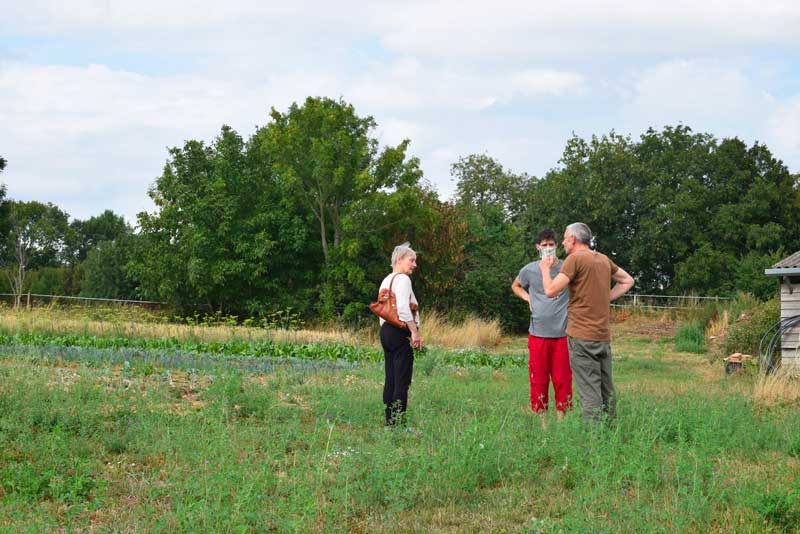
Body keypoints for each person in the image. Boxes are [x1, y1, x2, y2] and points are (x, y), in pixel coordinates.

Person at [540, 223, 634, 422]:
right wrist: (604, 297)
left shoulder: (574, 259)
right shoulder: (603, 259)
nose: (563, 243)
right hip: (602, 337)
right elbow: (627, 281)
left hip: (582, 337)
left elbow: (550, 291)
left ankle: (594, 443)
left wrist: (545, 269)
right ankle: (611, 433)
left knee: (589, 392)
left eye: (565, 238)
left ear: (573, 239)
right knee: (607, 389)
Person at [511, 228, 572, 421]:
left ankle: (562, 422)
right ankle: (542, 423)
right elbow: (515, 285)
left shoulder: (567, 267)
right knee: (539, 380)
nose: (547, 248)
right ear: (538, 247)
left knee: (563, 380)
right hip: (538, 334)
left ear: (557, 246)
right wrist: (527, 298)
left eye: (551, 245)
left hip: (563, 334)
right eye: (544, 245)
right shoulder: (529, 269)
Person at [378, 242, 421, 426]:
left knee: (391, 378)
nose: (414, 265)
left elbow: (383, 309)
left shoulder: (386, 280)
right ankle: (399, 424)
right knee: (402, 380)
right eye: (412, 260)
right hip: (399, 331)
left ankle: (390, 421)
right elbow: (403, 309)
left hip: (385, 330)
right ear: (399, 260)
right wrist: (414, 331)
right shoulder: (403, 280)